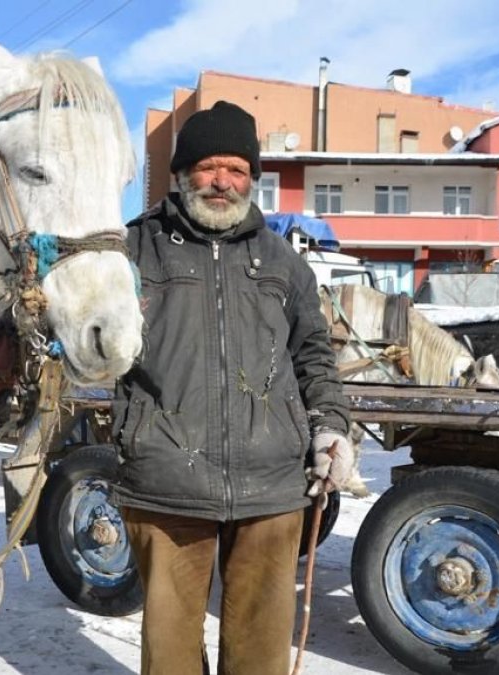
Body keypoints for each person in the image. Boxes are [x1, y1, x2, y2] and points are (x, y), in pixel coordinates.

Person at [113, 100, 354, 675]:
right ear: (181, 173)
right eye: (209, 166)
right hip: (166, 478)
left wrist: (331, 425)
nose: (223, 181)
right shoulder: (131, 249)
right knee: (169, 654)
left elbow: (313, 352)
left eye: (238, 170)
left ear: (252, 179)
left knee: (259, 654)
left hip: (272, 484)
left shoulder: (281, 260)